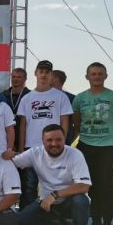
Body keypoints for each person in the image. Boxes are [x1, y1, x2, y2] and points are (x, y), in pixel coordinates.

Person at [11, 124, 93, 225]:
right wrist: (6, 155)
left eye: (58, 139)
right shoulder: (35, 153)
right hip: (45, 203)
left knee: (81, 200)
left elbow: (84, 186)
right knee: (18, 222)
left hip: (69, 202)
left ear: (64, 139)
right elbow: (12, 162)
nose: (54, 144)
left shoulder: (75, 154)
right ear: (42, 141)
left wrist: (55, 195)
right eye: (49, 140)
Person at [72, 62, 113, 225]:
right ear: (87, 76)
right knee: (90, 185)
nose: (96, 76)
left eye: (100, 73)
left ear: (105, 76)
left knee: (105, 185)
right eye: (93, 74)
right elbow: (77, 123)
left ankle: (107, 224)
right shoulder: (80, 98)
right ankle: (95, 222)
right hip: (86, 145)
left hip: (108, 147)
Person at [16, 60, 74, 208]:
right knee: (29, 185)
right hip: (31, 147)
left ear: (51, 75)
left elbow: (65, 121)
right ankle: (28, 215)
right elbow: (23, 125)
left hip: (53, 147)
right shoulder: (27, 98)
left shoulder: (60, 96)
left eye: (47, 72)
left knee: (54, 184)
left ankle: (53, 215)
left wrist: (62, 144)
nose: (43, 75)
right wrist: (21, 149)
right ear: (35, 73)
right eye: (41, 71)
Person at [2, 67, 29, 153]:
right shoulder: (3, 95)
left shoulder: (30, 95)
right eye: (13, 77)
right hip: (6, 137)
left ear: (25, 79)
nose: (15, 79)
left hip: (26, 137)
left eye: (19, 77)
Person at [51, 69, 76, 145]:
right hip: (46, 136)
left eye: (50, 76)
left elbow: (77, 122)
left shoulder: (72, 98)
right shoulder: (42, 97)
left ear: (56, 79)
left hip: (65, 139)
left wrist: (69, 138)